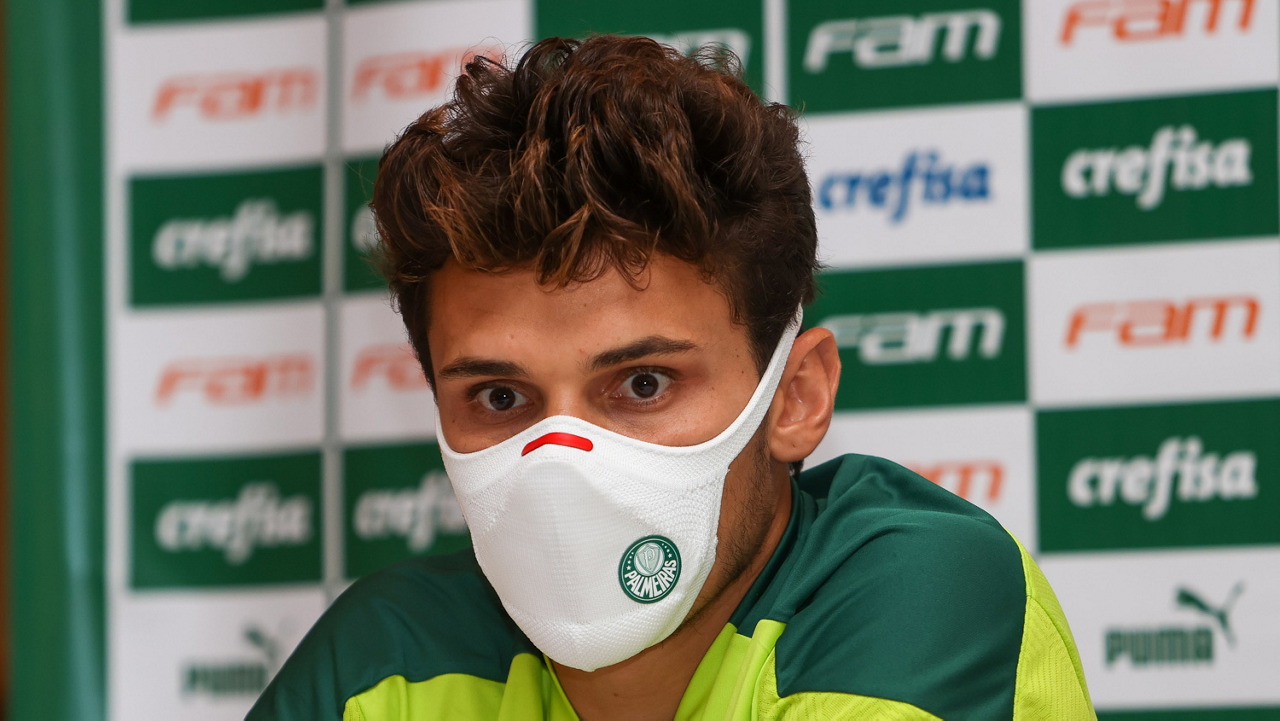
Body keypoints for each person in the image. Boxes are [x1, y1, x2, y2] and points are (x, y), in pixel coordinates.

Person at [249, 35, 1094, 720]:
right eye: (501, 398)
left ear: (795, 396)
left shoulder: (923, 593)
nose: (560, 458)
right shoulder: (385, 663)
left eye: (643, 384)